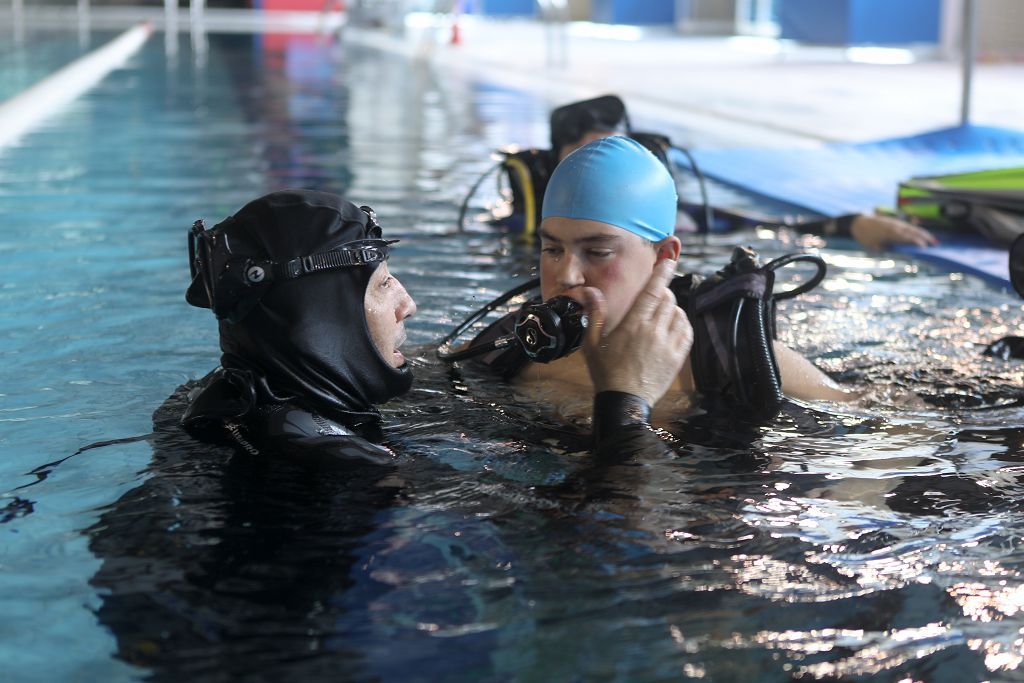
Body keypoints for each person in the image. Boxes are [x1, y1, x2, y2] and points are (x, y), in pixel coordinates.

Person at [467, 136, 855, 430]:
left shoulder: (733, 358)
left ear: (663, 257)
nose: (567, 275)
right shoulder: (511, 347)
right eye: (553, 249)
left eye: (598, 252)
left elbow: (874, 434)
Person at [497, 94, 938, 251]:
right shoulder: (523, 227)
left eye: (617, 151)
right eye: (586, 153)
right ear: (558, 160)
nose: (603, 168)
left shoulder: (675, 220)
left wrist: (853, 223)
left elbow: (767, 228)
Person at [181, 189, 418, 461]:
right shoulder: (343, 466)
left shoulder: (217, 395)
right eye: (383, 284)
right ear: (319, 318)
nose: (408, 306)